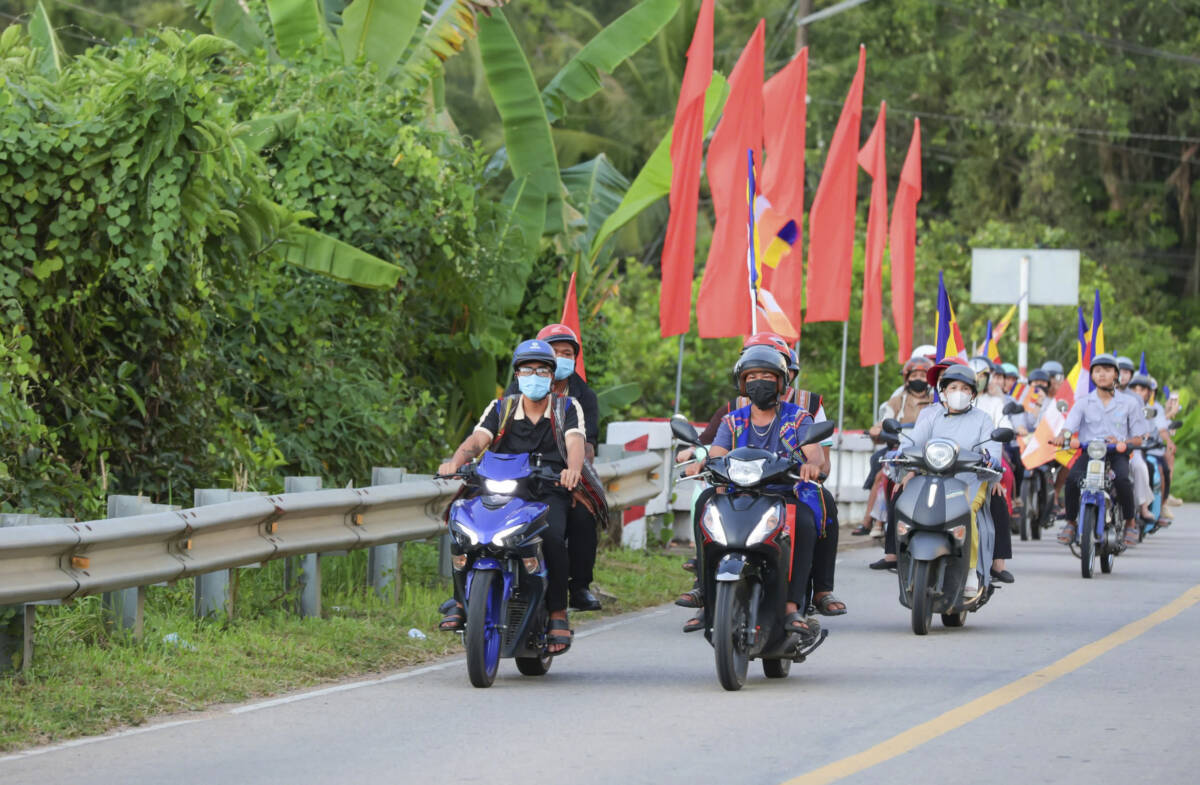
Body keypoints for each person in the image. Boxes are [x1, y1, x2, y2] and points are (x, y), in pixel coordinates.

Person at [436, 339, 593, 655]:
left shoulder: (567, 407)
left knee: (551, 535)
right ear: (517, 375)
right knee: (463, 526)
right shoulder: (501, 408)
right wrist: (456, 461)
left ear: (551, 376)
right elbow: (477, 440)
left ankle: (557, 612)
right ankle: (461, 601)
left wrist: (572, 470)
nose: (534, 376)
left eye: (542, 370)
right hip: (501, 486)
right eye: (527, 370)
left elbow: (575, 443)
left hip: (549, 489)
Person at [678, 334, 845, 622]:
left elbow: (815, 453)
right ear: (743, 384)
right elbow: (717, 453)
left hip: (784, 494)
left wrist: (812, 465)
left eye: (767, 376)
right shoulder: (732, 420)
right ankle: (705, 593)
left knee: (806, 520)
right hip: (737, 493)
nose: (759, 382)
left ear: (781, 382)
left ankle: (794, 605)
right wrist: (703, 463)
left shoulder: (798, 417)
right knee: (705, 502)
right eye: (752, 377)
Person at [504, 324, 602, 611]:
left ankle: (578, 586)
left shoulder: (580, 399)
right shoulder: (514, 394)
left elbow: (584, 445)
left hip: (561, 475)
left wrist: (574, 475)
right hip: (517, 472)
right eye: (554, 352)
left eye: (567, 353)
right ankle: (468, 592)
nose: (560, 358)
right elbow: (490, 437)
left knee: (582, 515)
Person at [897, 363, 1005, 597]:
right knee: (908, 508)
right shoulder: (931, 415)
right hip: (931, 479)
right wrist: (900, 454)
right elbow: (913, 441)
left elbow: (992, 449)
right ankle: (904, 558)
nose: (959, 393)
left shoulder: (983, 419)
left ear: (973, 394)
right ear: (943, 391)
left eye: (965, 389)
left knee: (968, 514)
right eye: (953, 387)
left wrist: (991, 460)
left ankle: (971, 571)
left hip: (970, 481)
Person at [1052, 354, 1147, 548]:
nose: (1102, 374)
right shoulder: (1083, 402)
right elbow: (1068, 428)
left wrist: (1124, 442)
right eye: (1097, 371)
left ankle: (1130, 522)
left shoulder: (1130, 403)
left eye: (1107, 370)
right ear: (1092, 376)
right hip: (1090, 452)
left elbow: (1139, 437)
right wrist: (1062, 436)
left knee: (1122, 480)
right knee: (1072, 480)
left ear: (1116, 375)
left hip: (1117, 453)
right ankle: (1071, 522)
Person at [861, 356, 934, 563]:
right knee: (886, 476)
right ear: (907, 378)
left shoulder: (936, 401)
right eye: (914, 375)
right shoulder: (897, 400)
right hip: (901, 450)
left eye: (923, 375)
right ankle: (875, 526)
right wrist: (878, 428)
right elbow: (885, 420)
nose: (919, 379)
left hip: (932, 454)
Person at [970, 358, 1015, 582]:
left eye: (982, 376)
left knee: (998, 495)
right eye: (953, 386)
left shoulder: (993, 404)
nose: (959, 392)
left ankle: (998, 561)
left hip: (984, 462)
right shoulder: (937, 409)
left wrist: (993, 472)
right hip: (946, 464)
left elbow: (999, 435)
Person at [1128, 373, 1175, 527]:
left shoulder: (1153, 409)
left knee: (1157, 470)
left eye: (1142, 389)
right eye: (1134, 389)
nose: (1138, 393)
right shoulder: (1122, 404)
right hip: (1122, 449)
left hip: (1144, 450)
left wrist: (1167, 441)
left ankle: (1156, 508)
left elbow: (1160, 428)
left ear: (1150, 393)